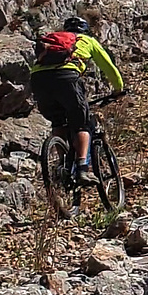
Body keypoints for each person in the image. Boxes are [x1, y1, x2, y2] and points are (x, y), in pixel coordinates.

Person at [30, 17, 125, 185]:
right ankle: (82, 169)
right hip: (67, 77)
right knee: (82, 124)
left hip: (38, 79)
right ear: (85, 30)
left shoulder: (52, 42)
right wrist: (118, 89)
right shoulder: (87, 40)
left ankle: (62, 165)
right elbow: (108, 67)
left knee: (58, 122)